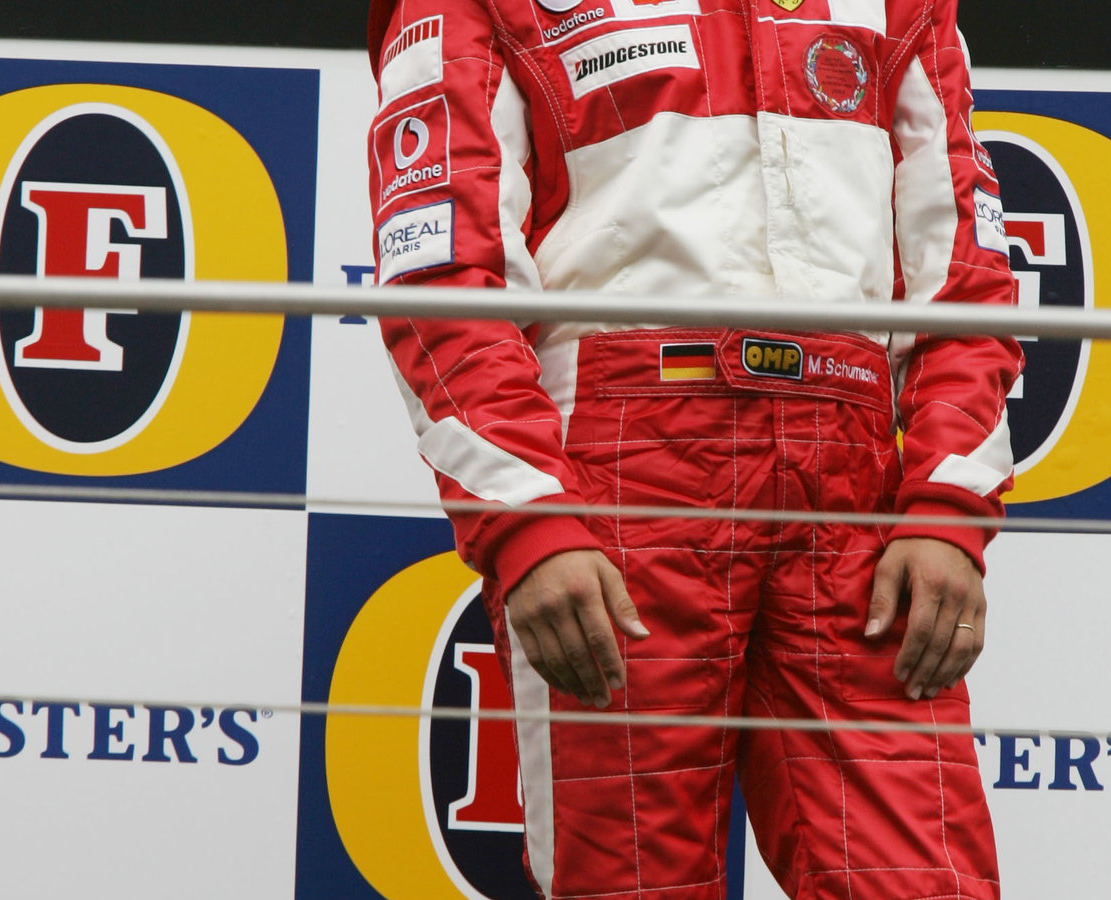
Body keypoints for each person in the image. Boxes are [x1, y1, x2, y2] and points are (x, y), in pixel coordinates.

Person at [366, 0, 1022, 896]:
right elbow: (441, 277)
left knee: (918, 881)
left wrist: (948, 510)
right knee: (630, 887)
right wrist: (530, 520)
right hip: (618, 478)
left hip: (852, 491)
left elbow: (968, 283)